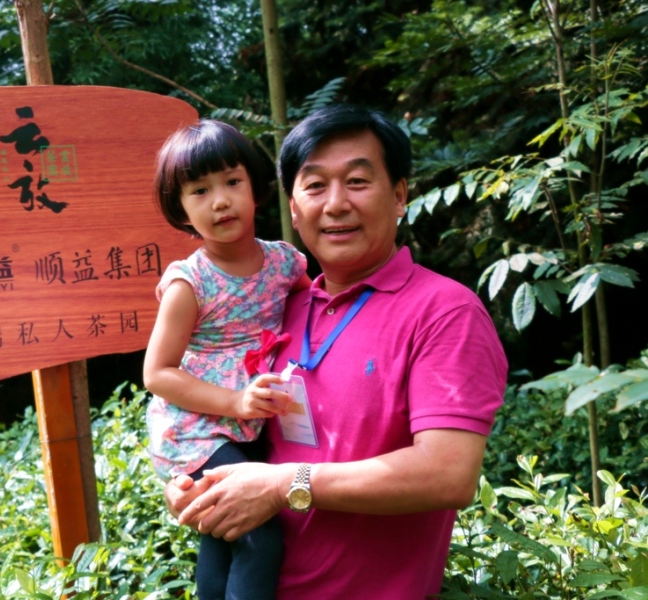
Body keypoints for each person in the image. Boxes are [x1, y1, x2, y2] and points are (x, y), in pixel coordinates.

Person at [167, 104, 509, 599]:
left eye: (357, 181)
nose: (335, 204)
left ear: (399, 195)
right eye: (314, 185)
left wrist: (283, 485)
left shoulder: (444, 312)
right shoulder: (279, 307)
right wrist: (197, 485)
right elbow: (236, 431)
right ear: (293, 208)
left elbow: (448, 474)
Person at [142, 119, 310, 599]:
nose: (220, 201)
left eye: (232, 182)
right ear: (180, 208)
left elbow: (315, 312)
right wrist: (235, 402)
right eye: (200, 191)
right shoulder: (190, 283)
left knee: (224, 534)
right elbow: (157, 373)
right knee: (258, 536)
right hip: (195, 429)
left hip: (249, 423)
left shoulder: (284, 263)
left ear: (255, 188)